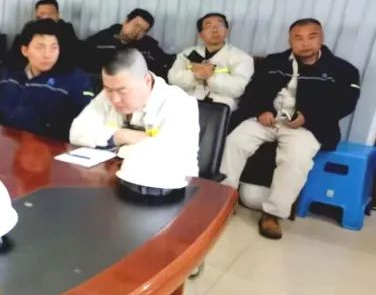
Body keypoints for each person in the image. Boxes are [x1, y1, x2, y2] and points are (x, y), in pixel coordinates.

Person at [220, 19, 360, 239]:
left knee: (296, 159)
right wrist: (262, 110)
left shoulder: (343, 70)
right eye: (298, 38)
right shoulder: (273, 62)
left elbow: (345, 104)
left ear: (321, 38)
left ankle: (273, 214)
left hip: (308, 125)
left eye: (311, 37)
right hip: (268, 119)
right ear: (290, 40)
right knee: (234, 141)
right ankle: (224, 201)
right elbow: (253, 91)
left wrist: (307, 117)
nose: (305, 43)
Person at [70, 49, 199, 178]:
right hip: (116, 176)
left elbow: (166, 156)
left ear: (147, 81)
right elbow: (76, 132)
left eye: (122, 91)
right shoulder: (109, 93)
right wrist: (121, 135)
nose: (115, 99)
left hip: (166, 182)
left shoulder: (179, 103)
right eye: (108, 90)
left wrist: (111, 143)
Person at [0, 21, 94, 140]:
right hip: (5, 142)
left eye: (54, 48)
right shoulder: (8, 74)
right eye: (40, 47)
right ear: (25, 50)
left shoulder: (75, 79)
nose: (47, 55)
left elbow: (87, 122)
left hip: (50, 146)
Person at [167, 13, 254, 111]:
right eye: (208, 26)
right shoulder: (187, 54)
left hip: (220, 107)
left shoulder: (242, 57)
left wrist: (210, 76)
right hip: (187, 102)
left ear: (227, 31)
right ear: (201, 35)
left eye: (220, 25)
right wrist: (195, 76)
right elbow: (172, 79)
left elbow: (238, 89)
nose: (215, 30)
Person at [82, 8, 173, 77]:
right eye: (136, 25)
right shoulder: (101, 41)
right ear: (126, 21)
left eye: (143, 30)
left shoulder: (148, 45)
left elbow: (166, 61)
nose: (137, 31)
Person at [13, 0, 81, 70]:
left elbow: (70, 57)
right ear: (36, 15)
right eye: (42, 14)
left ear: (58, 14)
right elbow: (16, 55)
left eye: (50, 14)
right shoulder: (30, 28)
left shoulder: (66, 29)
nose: (46, 17)